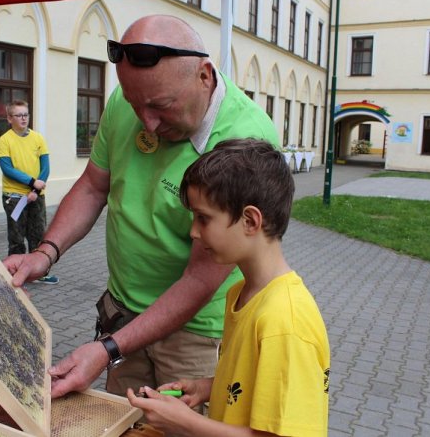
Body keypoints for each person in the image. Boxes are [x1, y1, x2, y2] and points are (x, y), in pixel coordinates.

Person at [3, 15, 279, 399]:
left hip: (194, 332)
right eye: (135, 104)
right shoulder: (131, 99)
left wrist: (107, 349)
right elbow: (92, 187)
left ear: (204, 75)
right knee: (123, 422)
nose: (147, 124)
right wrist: (44, 254)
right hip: (121, 311)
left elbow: (201, 279)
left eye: (160, 106)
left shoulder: (245, 141)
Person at [127, 138, 330, 437]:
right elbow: (255, 383)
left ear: (250, 220)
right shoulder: (242, 293)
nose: (194, 232)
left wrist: (183, 421)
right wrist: (206, 388)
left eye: (203, 218)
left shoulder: (285, 321)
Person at [0, 99, 59, 284]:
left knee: (38, 235)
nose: (23, 118)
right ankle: (15, 273)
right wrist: (32, 183)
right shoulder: (5, 140)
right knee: (16, 237)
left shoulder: (38, 138)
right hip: (14, 198)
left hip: (36, 196)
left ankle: (40, 273)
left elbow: (45, 168)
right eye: (18, 115)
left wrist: (35, 191)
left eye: (26, 114)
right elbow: (8, 169)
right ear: (9, 118)